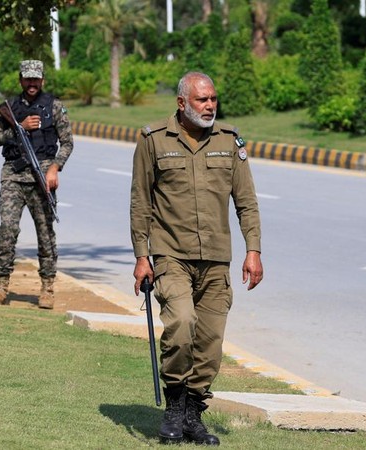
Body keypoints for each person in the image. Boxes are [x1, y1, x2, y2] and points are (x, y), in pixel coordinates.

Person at [130, 72, 263, 446]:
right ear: (181, 103)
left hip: (217, 259)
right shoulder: (153, 140)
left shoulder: (229, 141)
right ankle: (173, 405)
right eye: (202, 100)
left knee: (210, 343)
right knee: (182, 324)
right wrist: (143, 256)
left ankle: (192, 415)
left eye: (213, 99)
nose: (210, 105)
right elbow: (141, 203)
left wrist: (253, 249)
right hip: (171, 254)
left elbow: (246, 202)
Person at [0, 60, 73, 309]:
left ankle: (47, 289)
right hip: (13, 175)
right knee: (7, 230)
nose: (32, 83)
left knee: (45, 234)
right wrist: (17, 129)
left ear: (42, 80)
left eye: (36, 79)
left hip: (42, 177)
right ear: (20, 80)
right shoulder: (10, 109)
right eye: (27, 79)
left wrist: (55, 168)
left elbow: (67, 143)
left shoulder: (54, 107)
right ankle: (2, 286)